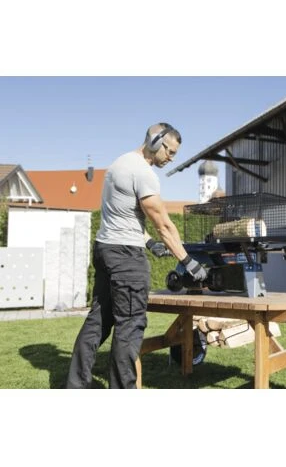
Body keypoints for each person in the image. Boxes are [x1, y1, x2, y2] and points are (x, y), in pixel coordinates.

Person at [65, 123, 207, 389]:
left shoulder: (118, 164)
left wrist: (150, 243)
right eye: (170, 151)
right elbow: (164, 225)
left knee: (98, 320)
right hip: (126, 257)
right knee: (130, 326)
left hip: (105, 249)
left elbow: (124, 214)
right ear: (155, 141)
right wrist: (188, 262)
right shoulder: (143, 173)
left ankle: (76, 385)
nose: (171, 158)